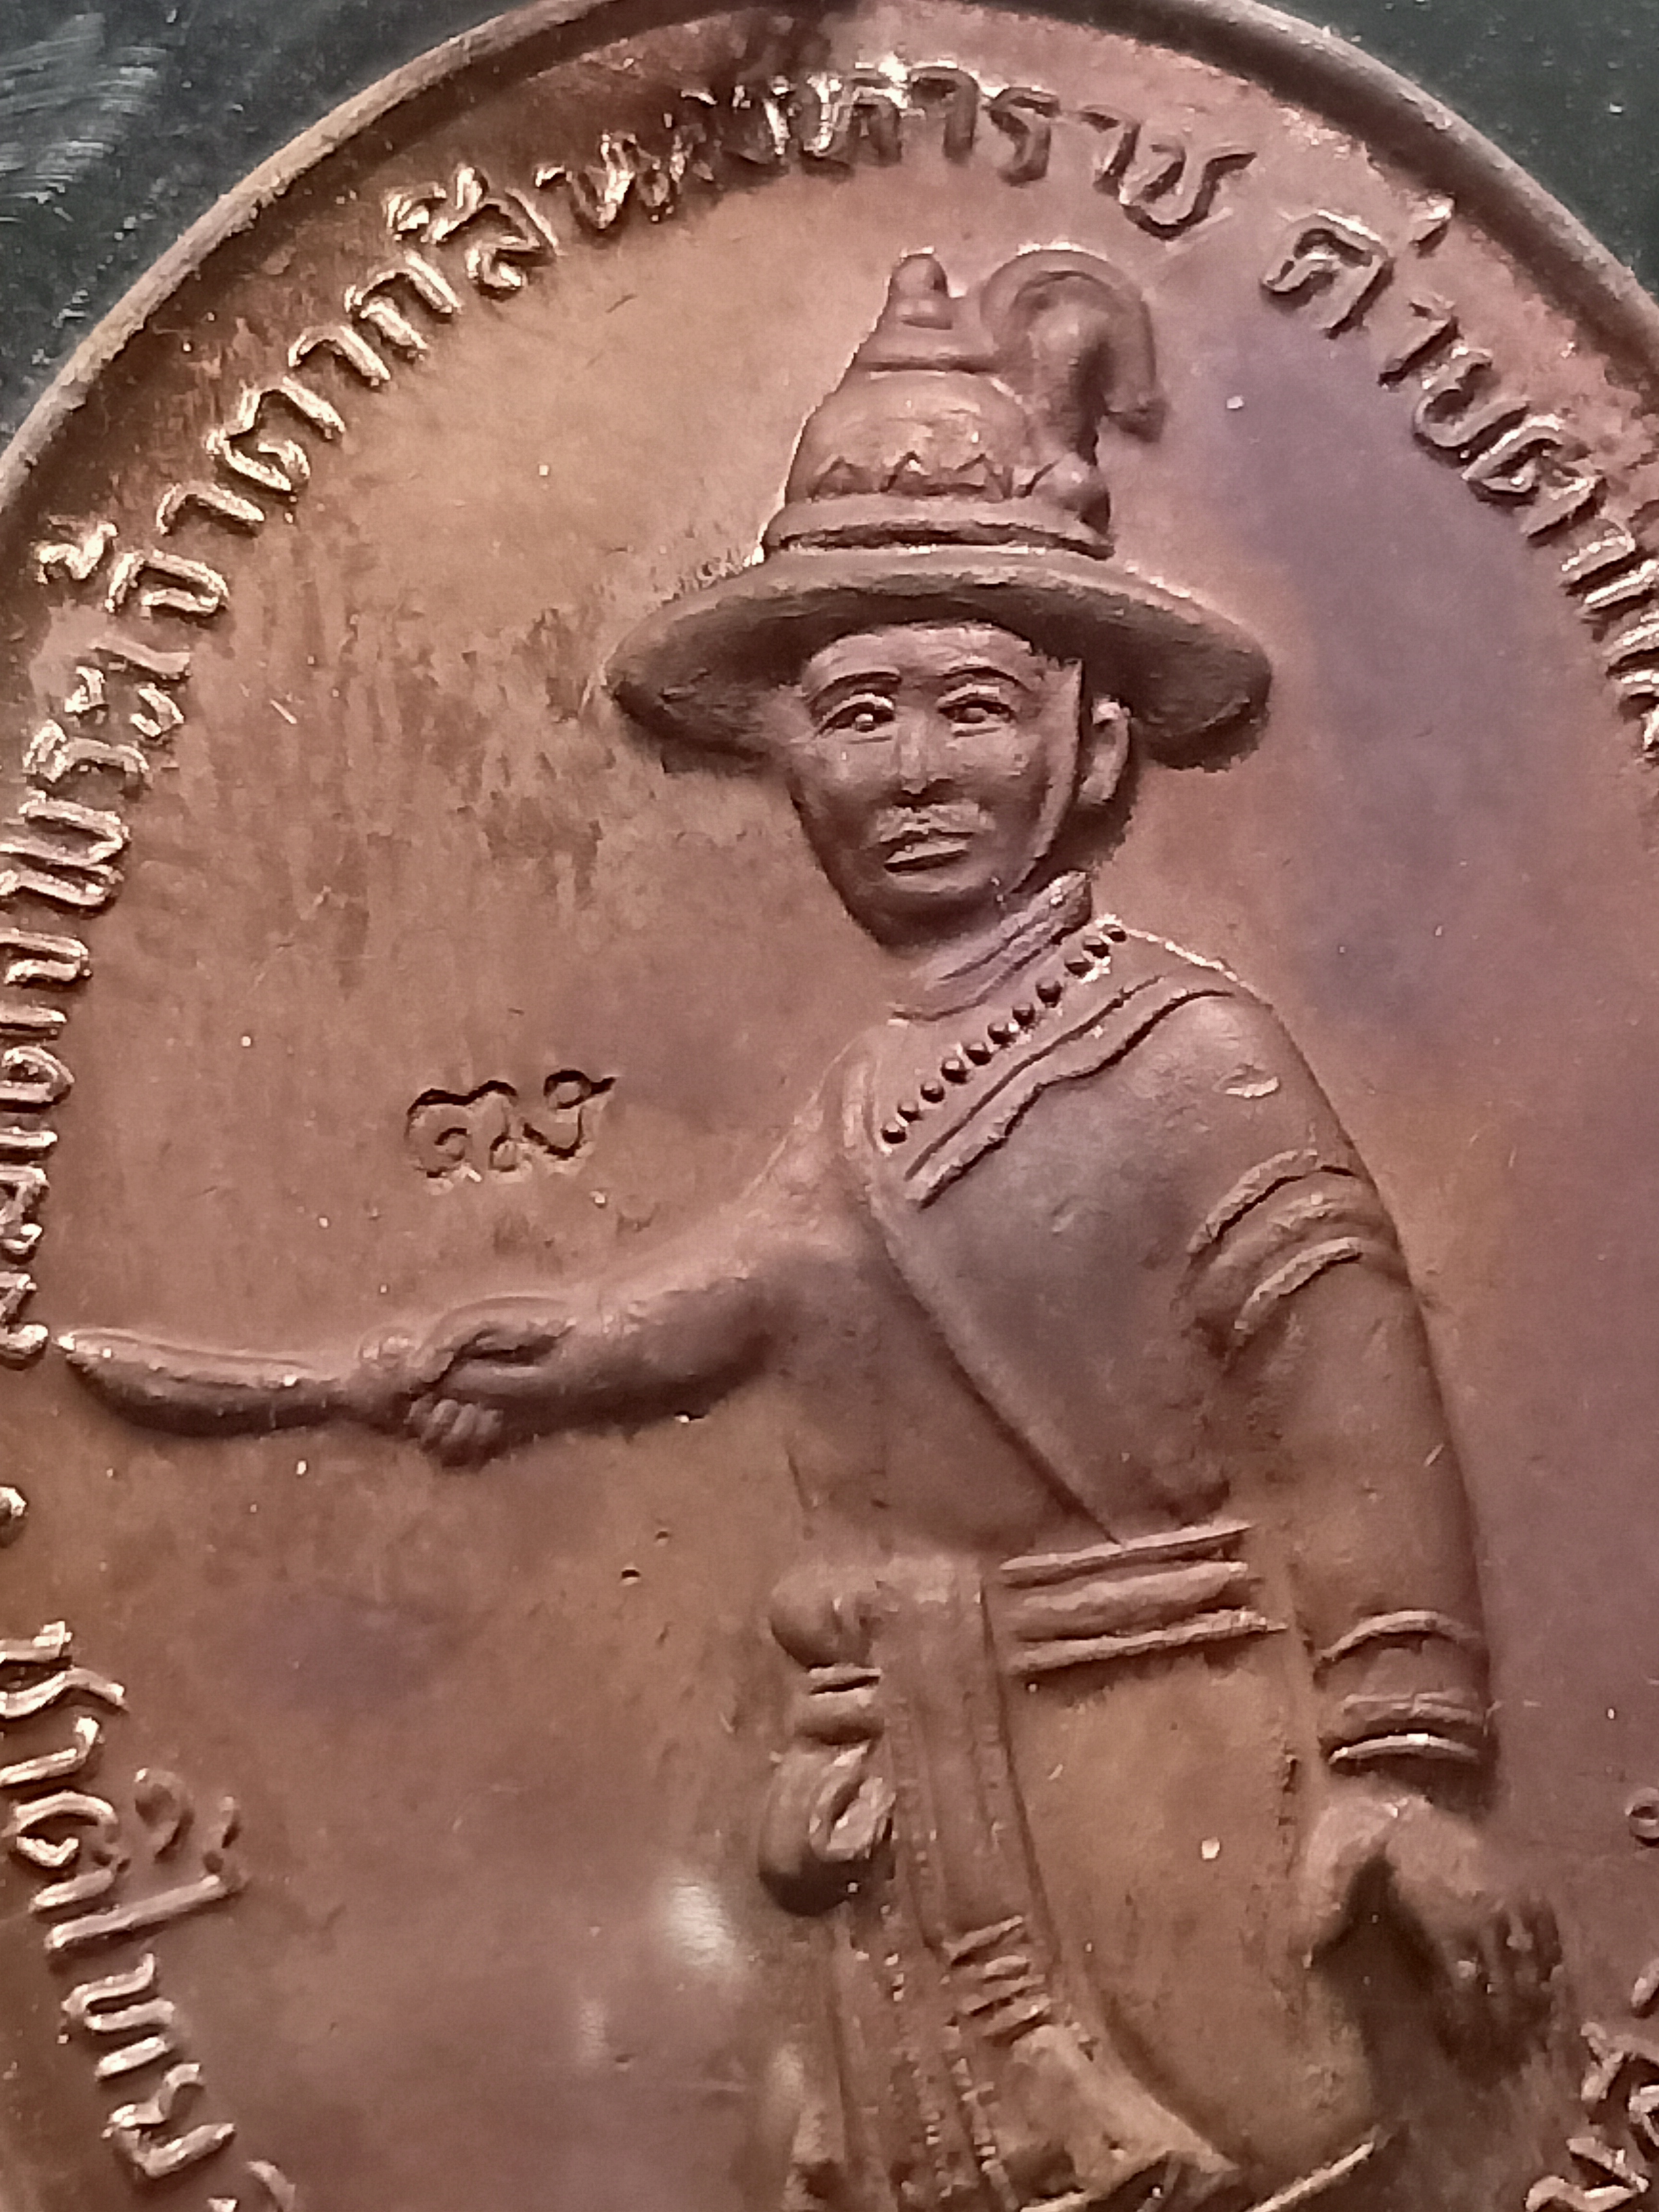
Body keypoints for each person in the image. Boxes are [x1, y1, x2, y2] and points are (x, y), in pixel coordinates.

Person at [112, 250, 1569, 2212]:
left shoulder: (1194, 1057)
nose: (911, 771)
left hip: (1170, 1788)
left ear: (1093, 750)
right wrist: (523, 1353)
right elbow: (743, 1286)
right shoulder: (879, 1094)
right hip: (919, 1804)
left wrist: (1396, 1769)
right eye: (857, 712)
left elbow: (1352, 1402)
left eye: (973, 708)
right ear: (787, 758)